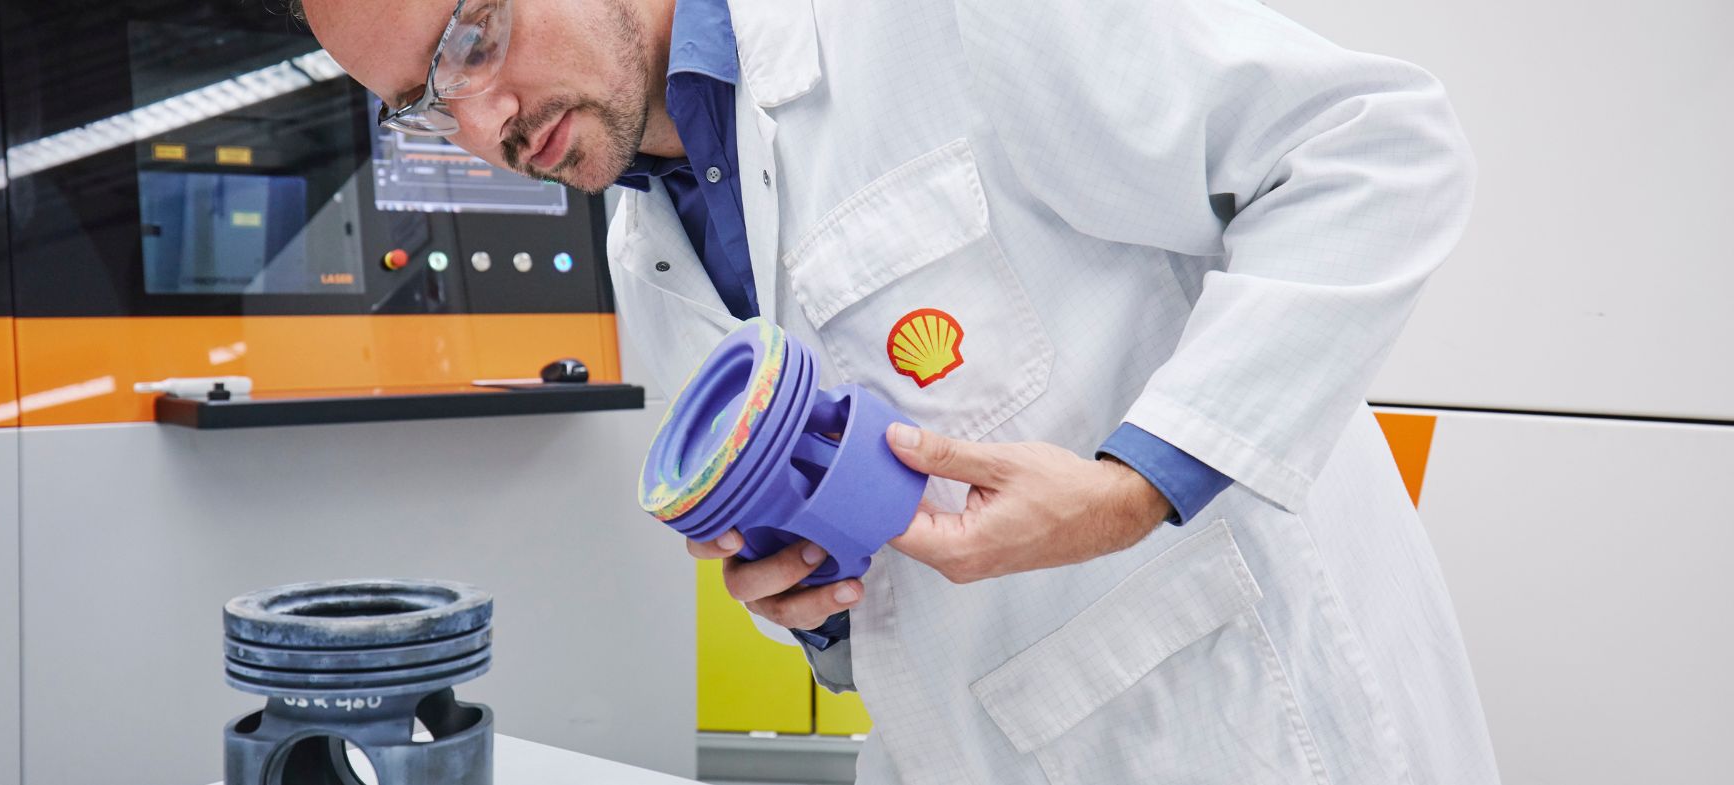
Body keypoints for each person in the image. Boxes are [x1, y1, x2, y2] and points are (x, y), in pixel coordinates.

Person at [296, 0, 1501, 781]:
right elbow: (876, 594)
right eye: (419, 101)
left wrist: (1137, 485)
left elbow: (1370, 146)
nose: (480, 119)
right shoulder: (644, 256)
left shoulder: (925, 21)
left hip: (1253, 729)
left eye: (471, 39)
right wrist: (816, 614)